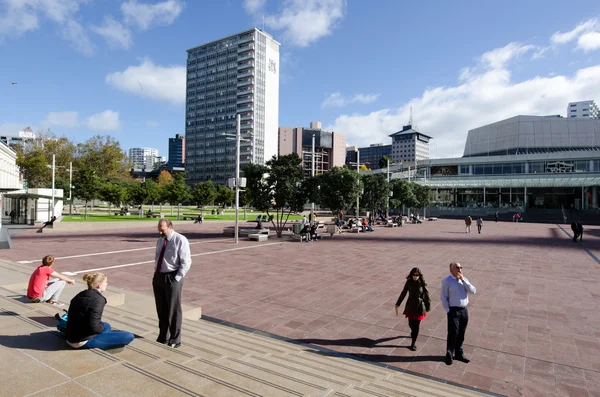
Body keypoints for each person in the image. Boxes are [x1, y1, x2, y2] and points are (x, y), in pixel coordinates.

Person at [66, 272, 134, 350]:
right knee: (128, 336)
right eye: (105, 282)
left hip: (71, 336)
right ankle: (102, 340)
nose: (106, 284)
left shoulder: (80, 294)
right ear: (99, 285)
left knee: (107, 325)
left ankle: (105, 337)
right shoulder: (98, 300)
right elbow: (94, 327)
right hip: (81, 341)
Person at [153, 219, 192, 348]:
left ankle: (175, 339)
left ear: (170, 227)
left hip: (172, 277)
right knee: (161, 309)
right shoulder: (160, 239)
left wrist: (176, 278)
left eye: (162, 229)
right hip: (159, 277)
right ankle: (163, 336)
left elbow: (186, 262)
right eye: (159, 229)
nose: (160, 231)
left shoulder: (180, 240)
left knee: (173, 310)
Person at [441, 262, 476, 365]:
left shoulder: (464, 280)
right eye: (457, 267)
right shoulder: (447, 281)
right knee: (453, 333)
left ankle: (459, 353)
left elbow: (473, 291)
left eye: (461, 267)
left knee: (461, 333)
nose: (460, 269)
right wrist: (448, 311)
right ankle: (449, 354)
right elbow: (443, 297)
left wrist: (464, 280)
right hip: (453, 311)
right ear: (451, 269)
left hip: (464, 310)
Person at [394, 267, 431, 351]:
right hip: (410, 305)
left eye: (417, 275)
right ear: (411, 275)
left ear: (419, 275)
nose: (415, 276)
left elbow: (427, 294)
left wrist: (428, 306)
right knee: (411, 324)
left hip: (419, 307)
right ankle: (413, 332)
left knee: (416, 326)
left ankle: (413, 343)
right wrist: (398, 303)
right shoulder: (409, 282)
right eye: (414, 275)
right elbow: (403, 293)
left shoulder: (422, 283)